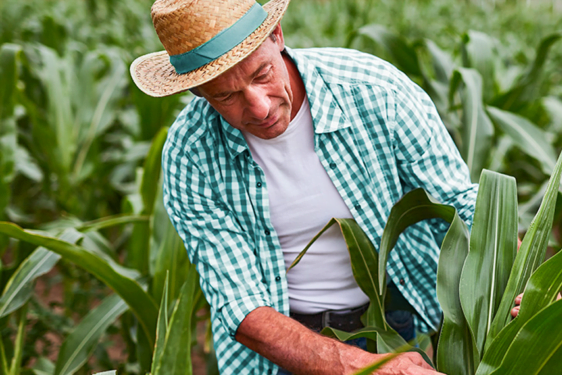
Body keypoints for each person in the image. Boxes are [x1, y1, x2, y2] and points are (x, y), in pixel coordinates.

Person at [130, 0, 479, 373]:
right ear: (197, 92)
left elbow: (461, 203)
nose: (260, 108)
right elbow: (239, 302)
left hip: (397, 321)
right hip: (280, 347)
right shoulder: (191, 153)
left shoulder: (375, 92)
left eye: (262, 74)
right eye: (225, 96)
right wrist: (360, 368)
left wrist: (516, 278)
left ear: (277, 35)